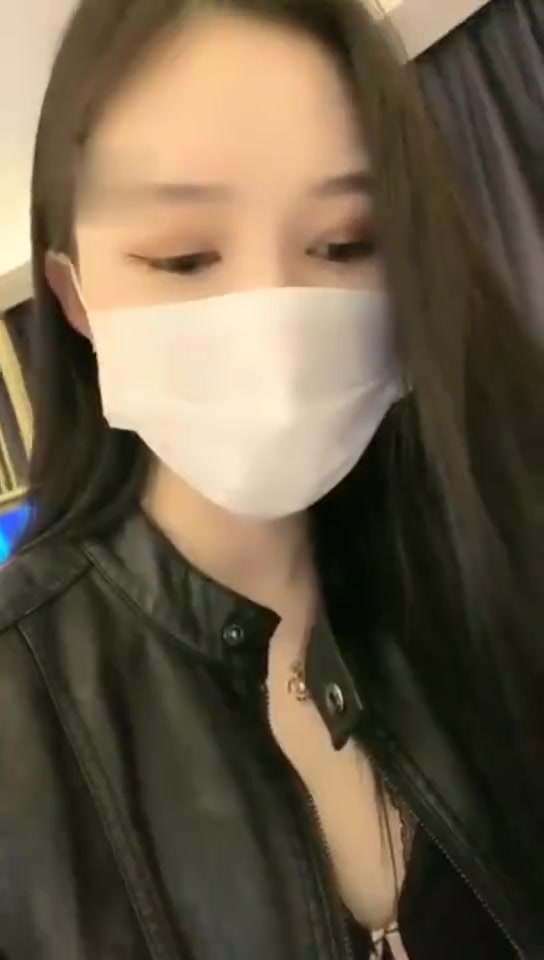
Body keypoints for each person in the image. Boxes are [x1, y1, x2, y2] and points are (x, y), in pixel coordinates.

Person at [0, 0, 542, 956]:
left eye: (346, 243)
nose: (275, 328)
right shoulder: (21, 712)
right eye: (184, 257)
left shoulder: (496, 564)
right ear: (76, 300)